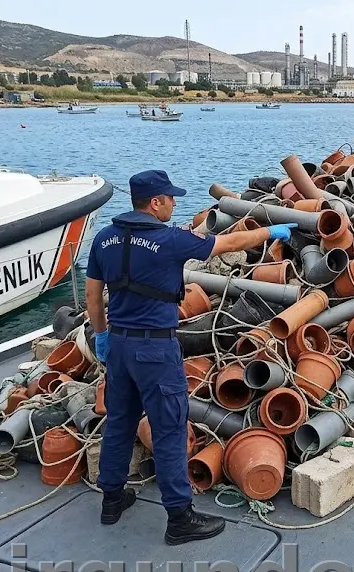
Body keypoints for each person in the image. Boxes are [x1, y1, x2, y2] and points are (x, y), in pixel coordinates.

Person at [84, 169, 298, 544]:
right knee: (169, 428)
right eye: (170, 198)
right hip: (155, 349)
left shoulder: (104, 239)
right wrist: (271, 232)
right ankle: (179, 518)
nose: (174, 203)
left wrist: (101, 336)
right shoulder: (170, 240)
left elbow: (92, 296)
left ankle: (111, 501)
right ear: (155, 203)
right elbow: (229, 243)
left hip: (118, 346)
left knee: (119, 421)